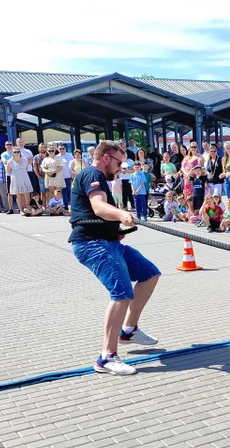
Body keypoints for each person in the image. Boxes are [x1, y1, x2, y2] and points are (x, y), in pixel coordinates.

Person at [68, 141, 161, 375]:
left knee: (150, 274)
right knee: (121, 294)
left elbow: (95, 214)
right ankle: (106, 357)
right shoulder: (92, 173)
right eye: (120, 163)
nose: (121, 168)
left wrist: (115, 229)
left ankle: (128, 330)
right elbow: (98, 207)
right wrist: (121, 213)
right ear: (107, 158)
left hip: (109, 241)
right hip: (92, 244)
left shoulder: (99, 176)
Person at [7, 149, 34, 214]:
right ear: (13, 153)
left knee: (26, 194)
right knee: (18, 195)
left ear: (20, 152)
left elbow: (26, 168)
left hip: (24, 177)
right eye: (15, 152)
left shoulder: (25, 160)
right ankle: (21, 210)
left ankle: (27, 208)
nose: (16, 153)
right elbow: (9, 171)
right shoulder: (10, 161)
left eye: (17, 151)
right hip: (16, 178)